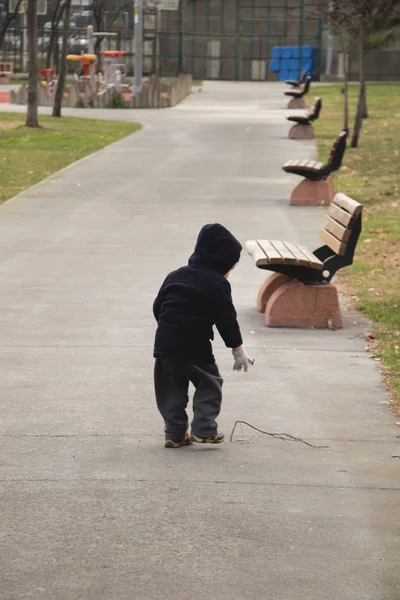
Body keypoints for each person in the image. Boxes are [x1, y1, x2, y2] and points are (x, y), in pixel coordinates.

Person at [153, 223, 255, 449]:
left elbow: (157, 307)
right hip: (194, 345)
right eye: (230, 266)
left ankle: (175, 434)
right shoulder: (218, 283)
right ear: (221, 261)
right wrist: (238, 350)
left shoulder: (175, 275)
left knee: (170, 389)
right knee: (209, 383)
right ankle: (204, 430)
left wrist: (169, 328)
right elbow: (227, 320)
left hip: (165, 345)